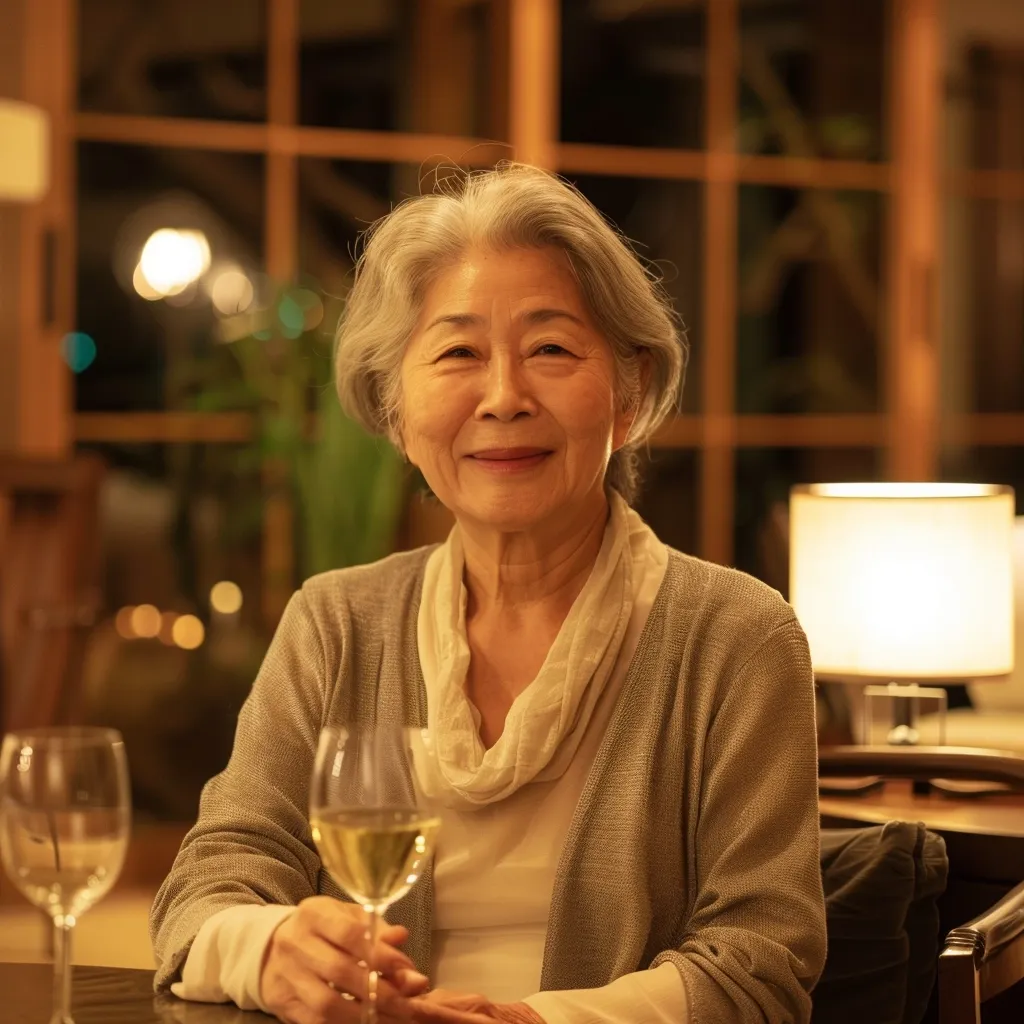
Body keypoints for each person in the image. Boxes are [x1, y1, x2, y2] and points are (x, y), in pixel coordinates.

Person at [151, 163, 827, 1024]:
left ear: (629, 395)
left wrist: (540, 1023)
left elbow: (761, 965)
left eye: (550, 348)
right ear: (397, 413)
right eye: (458, 353)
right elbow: (206, 885)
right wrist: (267, 948)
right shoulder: (337, 622)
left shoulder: (738, 636)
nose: (504, 398)